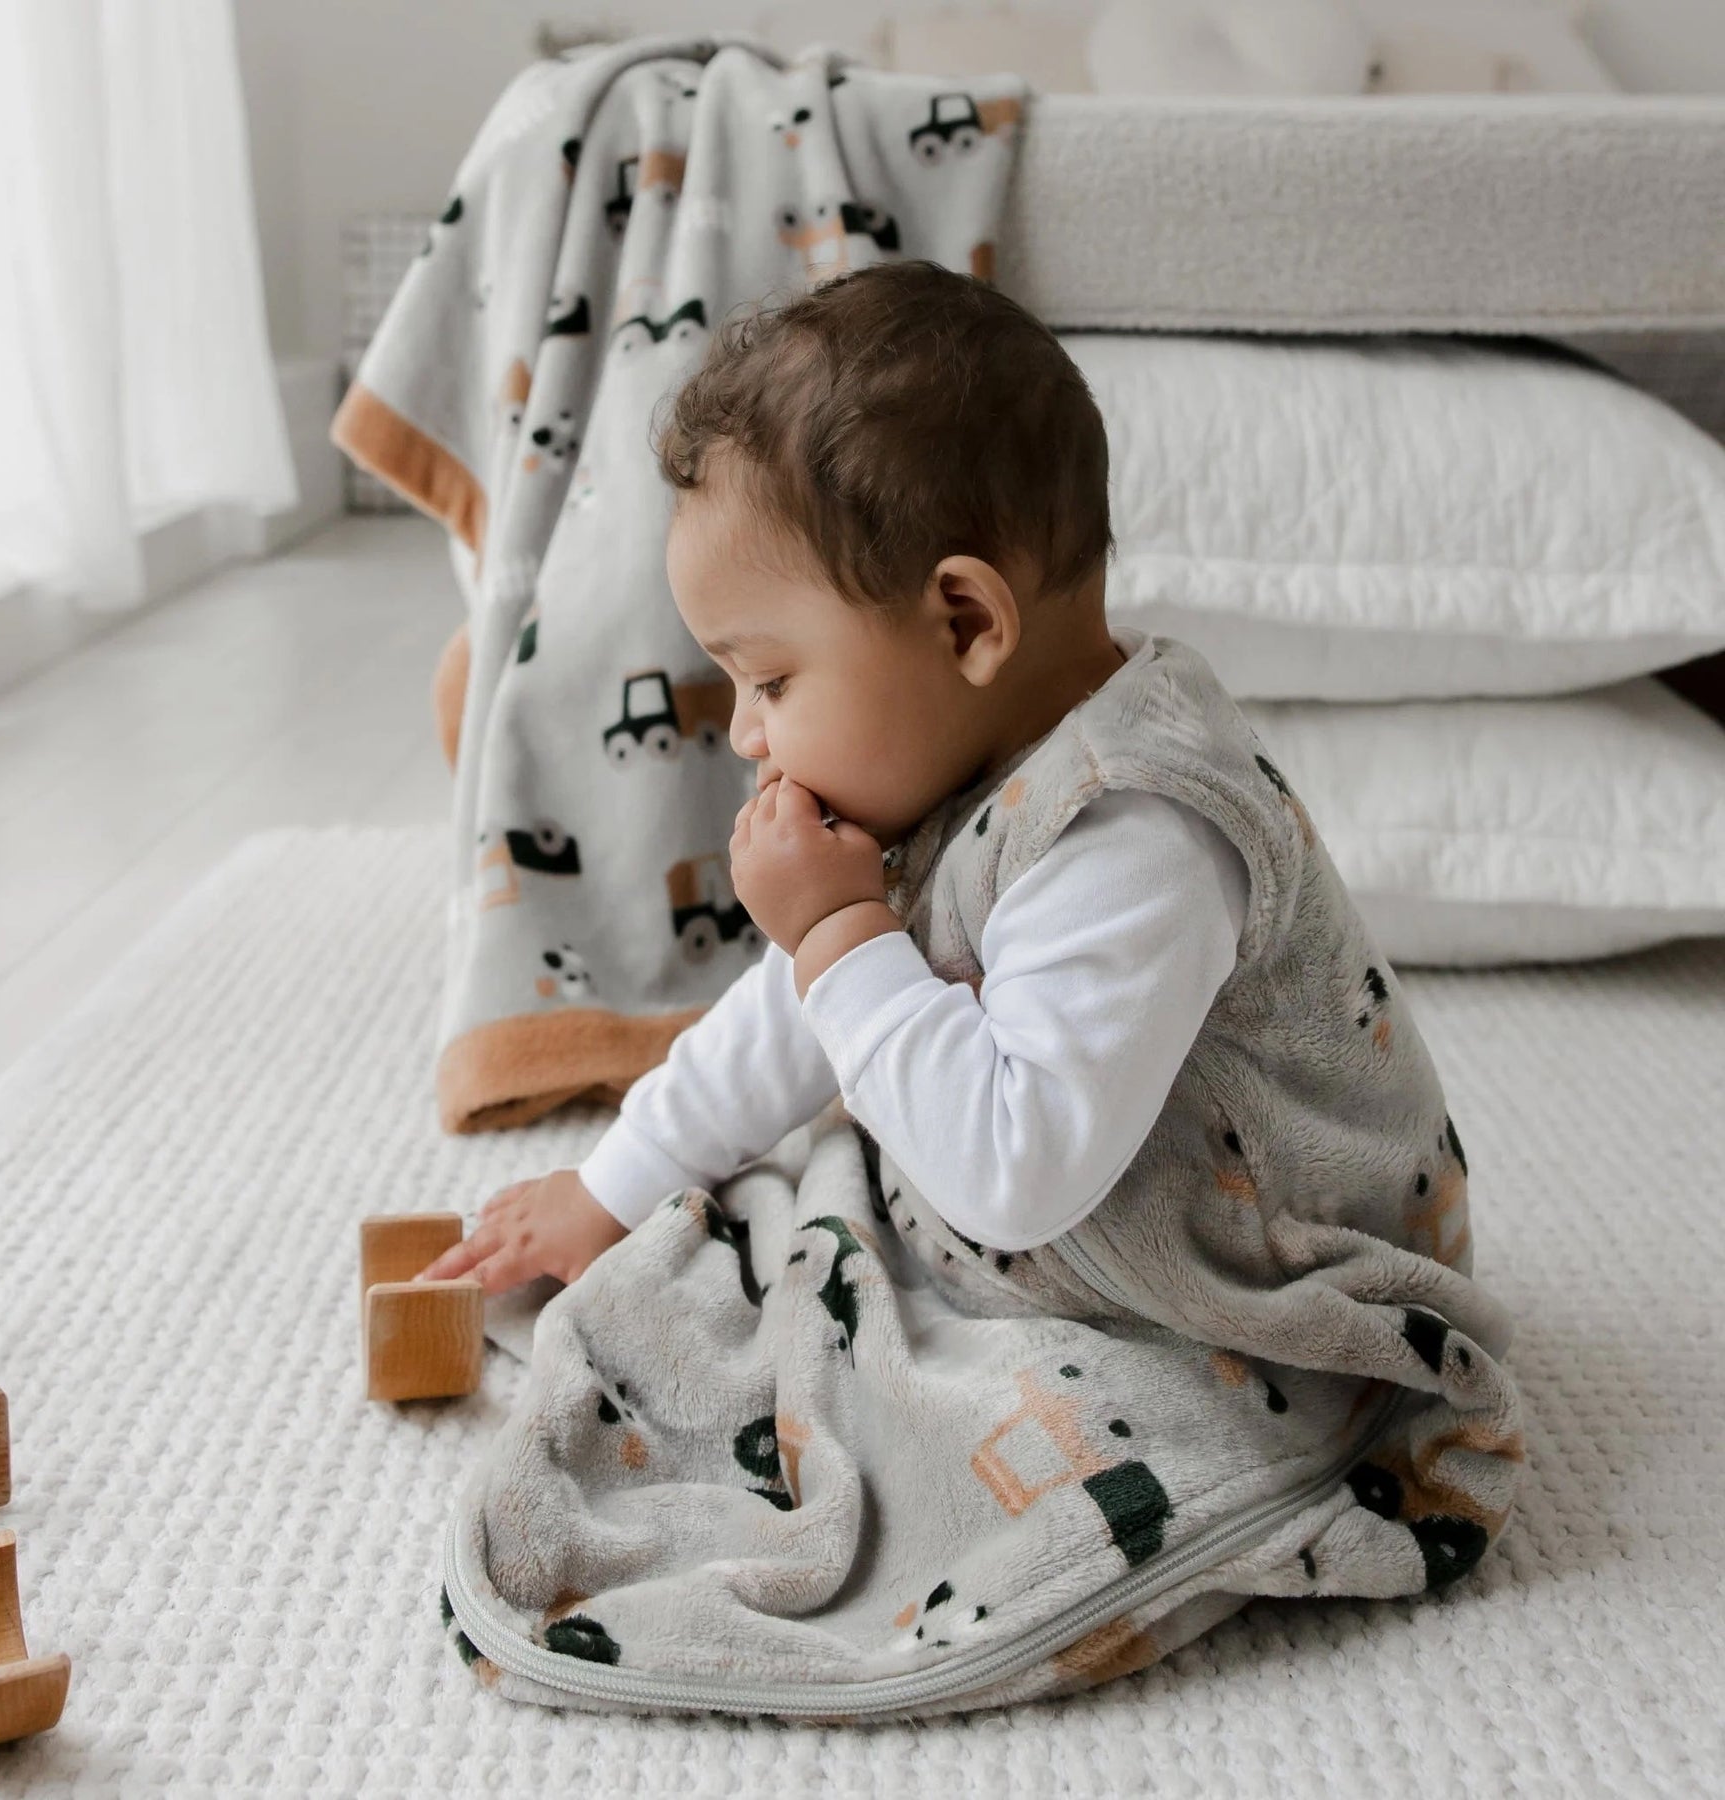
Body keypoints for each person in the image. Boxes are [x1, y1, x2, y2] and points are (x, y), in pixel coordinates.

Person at [417, 259, 1455, 1316]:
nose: (743, 733)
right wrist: (617, 1183)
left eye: (771, 681)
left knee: (770, 1355)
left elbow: (1016, 1175)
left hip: (1261, 1285)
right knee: (772, 1222)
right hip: (1093, 1224)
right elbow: (798, 1005)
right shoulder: (963, 756)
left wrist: (840, 934)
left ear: (965, 624)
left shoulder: (1136, 835)